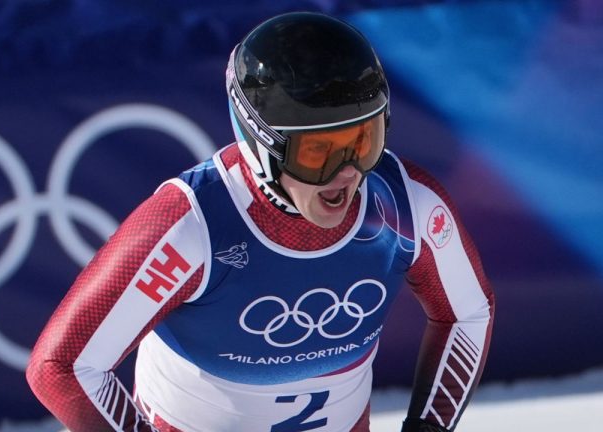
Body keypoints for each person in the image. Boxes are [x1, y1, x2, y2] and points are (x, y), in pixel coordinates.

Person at [26, 11, 494, 432]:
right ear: (262, 146)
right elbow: (61, 366)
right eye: (318, 153)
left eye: (362, 140)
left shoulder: (405, 204)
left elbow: (468, 314)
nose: (348, 172)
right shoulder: (193, 226)